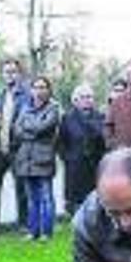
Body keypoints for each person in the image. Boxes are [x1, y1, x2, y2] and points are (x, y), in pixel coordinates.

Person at [12, 75, 61, 241]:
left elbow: (43, 128)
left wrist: (27, 127)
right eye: (36, 87)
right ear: (31, 90)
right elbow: (16, 130)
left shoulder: (53, 109)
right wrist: (30, 130)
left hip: (43, 159)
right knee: (31, 199)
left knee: (46, 197)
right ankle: (33, 231)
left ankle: (46, 233)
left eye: (43, 87)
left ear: (48, 90)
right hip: (26, 159)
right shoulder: (24, 108)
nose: (39, 91)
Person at [0, 58, 31, 227]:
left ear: (19, 74)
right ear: (3, 74)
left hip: (18, 147)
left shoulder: (27, 94)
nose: (10, 74)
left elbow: (28, 120)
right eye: (6, 71)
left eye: (13, 71)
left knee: (20, 186)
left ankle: (23, 220)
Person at [57, 83, 106, 216]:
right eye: (83, 97)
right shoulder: (67, 118)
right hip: (75, 166)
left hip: (95, 165)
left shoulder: (101, 117)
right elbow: (60, 142)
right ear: (75, 100)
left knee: (96, 199)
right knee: (76, 201)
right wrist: (68, 158)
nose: (87, 100)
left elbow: (105, 140)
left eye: (89, 97)